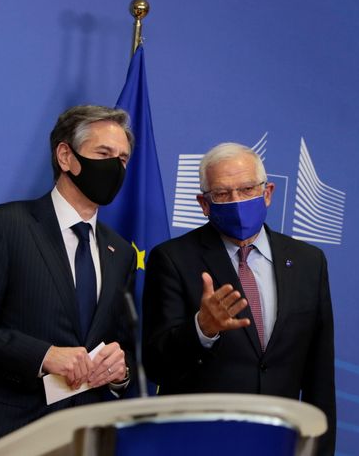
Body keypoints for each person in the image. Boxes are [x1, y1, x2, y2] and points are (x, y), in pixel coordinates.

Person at [0, 105, 137, 454]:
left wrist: (120, 373)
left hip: (82, 438)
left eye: (122, 159)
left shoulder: (119, 252)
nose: (114, 167)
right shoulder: (5, 225)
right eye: (103, 154)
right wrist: (43, 355)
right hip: (5, 432)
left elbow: (119, 343)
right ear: (65, 156)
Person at [142, 142, 336, 455]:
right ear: (204, 204)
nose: (236, 201)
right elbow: (156, 366)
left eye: (247, 189)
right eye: (221, 194)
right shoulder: (173, 259)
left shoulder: (309, 262)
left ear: (268, 192)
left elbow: (320, 378)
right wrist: (202, 330)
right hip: (197, 444)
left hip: (277, 443)